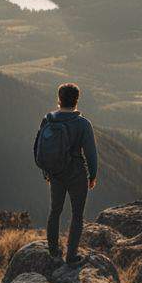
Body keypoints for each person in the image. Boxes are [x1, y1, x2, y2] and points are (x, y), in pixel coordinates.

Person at [34, 82, 98, 264]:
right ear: (77, 100)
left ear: (59, 99)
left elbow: (40, 148)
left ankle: (54, 252)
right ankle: (71, 256)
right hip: (77, 173)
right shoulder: (83, 124)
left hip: (55, 173)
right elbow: (91, 153)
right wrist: (92, 176)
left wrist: (46, 172)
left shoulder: (48, 120)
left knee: (55, 211)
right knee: (77, 214)